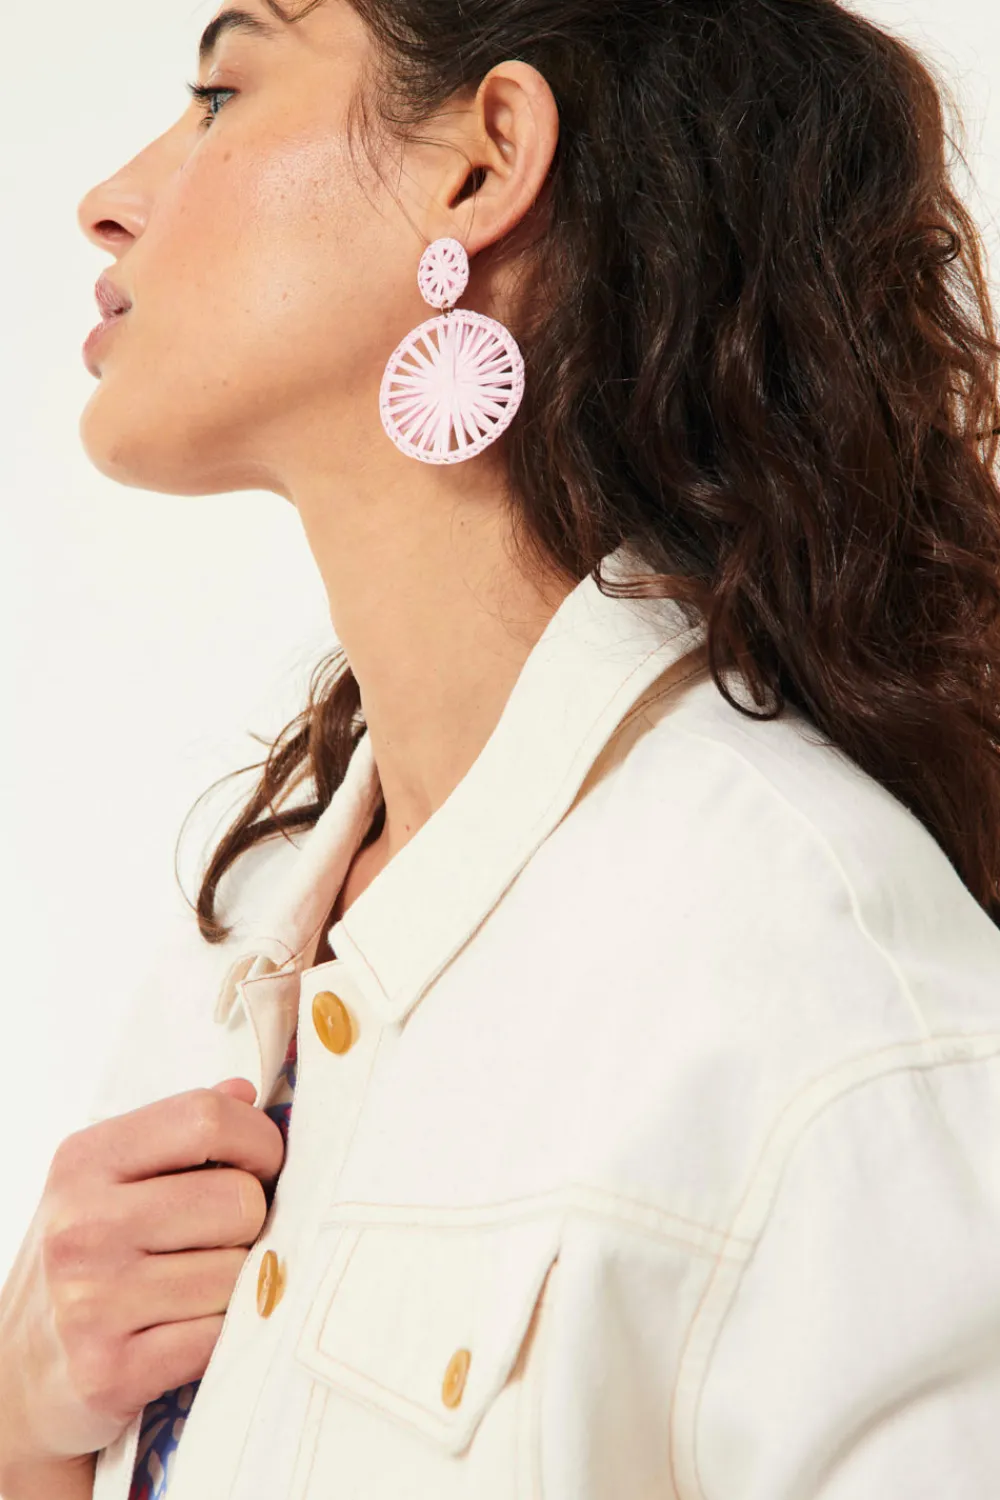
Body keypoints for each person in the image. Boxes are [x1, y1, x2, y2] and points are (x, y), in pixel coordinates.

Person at [5, 0, 1000, 1494]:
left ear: (480, 168)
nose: (109, 198)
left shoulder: (823, 994)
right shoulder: (247, 935)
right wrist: (27, 1424)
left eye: (221, 93)